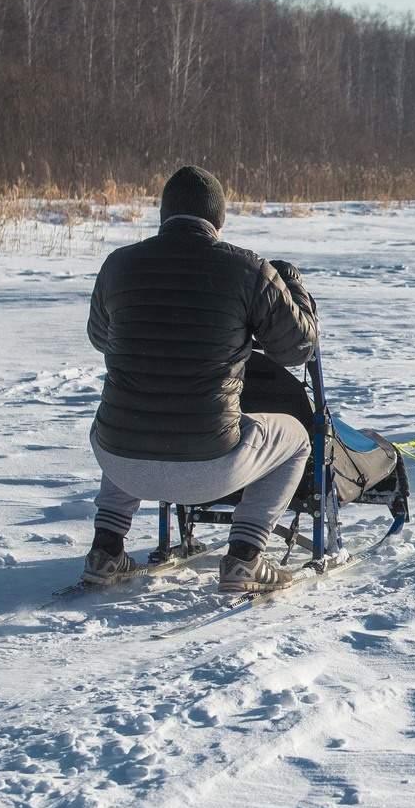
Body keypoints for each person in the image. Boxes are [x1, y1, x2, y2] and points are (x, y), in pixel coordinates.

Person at [82, 164, 319, 593]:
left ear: (163, 213)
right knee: (299, 438)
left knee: (127, 411)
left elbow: (101, 338)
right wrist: (294, 288)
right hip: (211, 465)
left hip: (118, 461)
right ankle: (246, 554)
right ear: (220, 219)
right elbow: (298, 350)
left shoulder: (117, 266)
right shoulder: (249, 270)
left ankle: (106, 548)